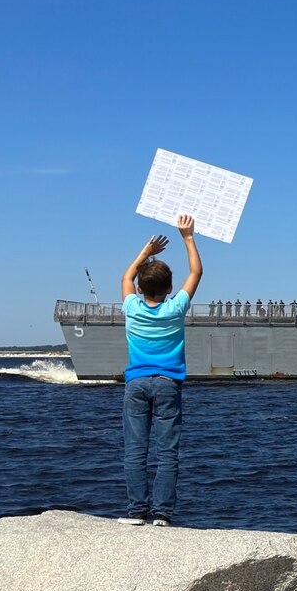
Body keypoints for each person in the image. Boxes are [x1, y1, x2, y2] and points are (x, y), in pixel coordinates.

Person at [118, 215, 202, 527]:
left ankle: (136, 512)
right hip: (168, 383)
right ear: (169, 287)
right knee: (168, 453)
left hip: (136, 382)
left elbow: (125, 278)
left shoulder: (131, 307)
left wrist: (146, 251)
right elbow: (196, 271)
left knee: (135, 451)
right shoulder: (175, 308)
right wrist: (188, 237)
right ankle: (162, 515)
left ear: (140, 288)